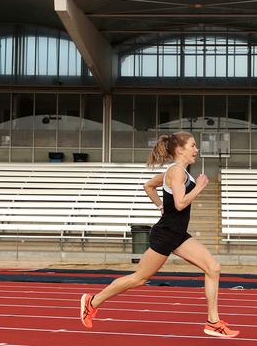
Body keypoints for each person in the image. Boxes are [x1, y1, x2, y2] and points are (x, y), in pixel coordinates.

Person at [79, 131, 239, 338]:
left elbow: (149, 186)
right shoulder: (177, 172)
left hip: (178, 234)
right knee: (138, 278)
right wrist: (199, 187)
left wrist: (161, 206)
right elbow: (180, 204)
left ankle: (213, 322)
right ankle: (92, 302)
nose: (196, 149)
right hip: (166, 235)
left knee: (213, 267)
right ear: (180, 149)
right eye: (193, 145)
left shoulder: (179, 171)